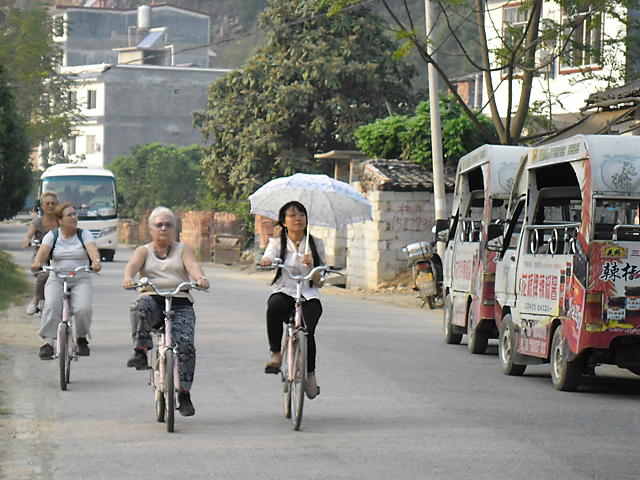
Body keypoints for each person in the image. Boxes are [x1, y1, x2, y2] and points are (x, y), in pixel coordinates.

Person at [122, 206, 209, 417]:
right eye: (158, 225)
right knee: (138, 306)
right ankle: (141, 352)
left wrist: (200, 278)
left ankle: (185, 394)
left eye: (168, 225)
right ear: (150, 229)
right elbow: (132, 267)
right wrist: (129, 278)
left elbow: (193, 265)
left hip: (180, 301)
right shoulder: (143, 251)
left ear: (175, 229)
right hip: (153, 300)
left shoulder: (183, 249)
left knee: (186, 344)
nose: (163, 229)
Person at [261, 201, 326, 400]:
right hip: (286, 292)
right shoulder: (277, 243)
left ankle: (310, 375)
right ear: (283, 221)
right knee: (273, 306)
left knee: (307, 330)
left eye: (302, 215)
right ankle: (276, 355)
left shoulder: (315, 244)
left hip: (308, 295)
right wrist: (267, 261)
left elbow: (321, 281)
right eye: (292, 215)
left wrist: (313, 266)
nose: (298, 219)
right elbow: (269, 257)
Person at [31, 203, 102, 359]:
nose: (74, 217)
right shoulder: (53, 236)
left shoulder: (84, 235)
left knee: (83, 308)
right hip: (57, 277)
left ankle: (82, 339)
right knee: (51, 305)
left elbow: (92, 250)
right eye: (69, 215)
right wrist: (38, 263)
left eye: (74, 214)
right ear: (60, 220)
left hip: (80, 278)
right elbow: (43, 252)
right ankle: (48, 343)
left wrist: (95, 262)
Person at [22, 191, 59, 315]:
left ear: (57, 205)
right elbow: (28, 236)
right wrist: (27, 240)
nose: (50, 206)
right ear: (42, 206)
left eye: (53, 203)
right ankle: (36, 299)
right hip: (41, 256)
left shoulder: (62, 221)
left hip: (60, 254)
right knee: (45, 273)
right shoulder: (37, 223)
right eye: (47, 203)